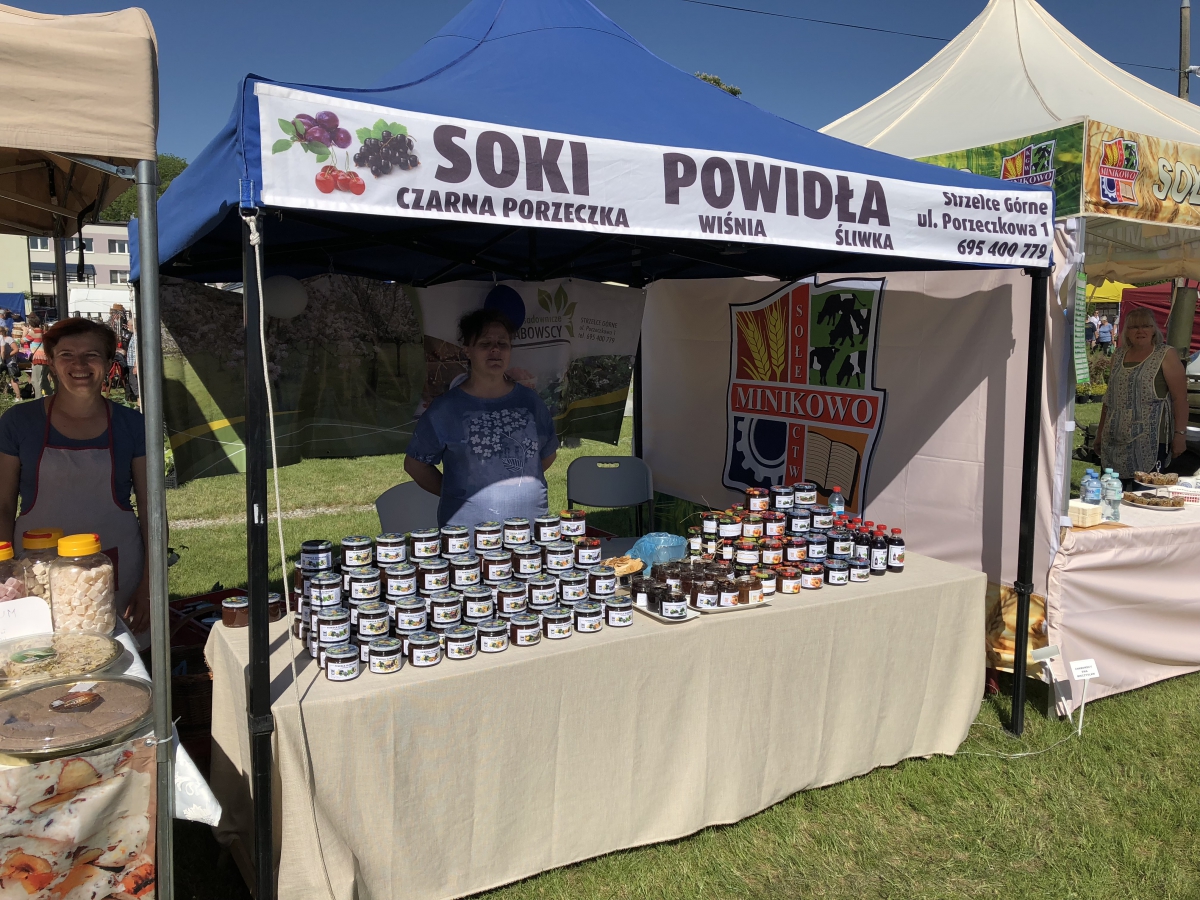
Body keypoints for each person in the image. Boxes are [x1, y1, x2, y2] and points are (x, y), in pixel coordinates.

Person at [0, 318, 150, 633]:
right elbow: (3, 505)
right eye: (66, 355)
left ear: (108, 362)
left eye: (91, 355)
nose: (79, 364)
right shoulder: (19, 422)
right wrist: (4, 572)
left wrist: (150, 584)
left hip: (115, 564)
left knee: (116, 650)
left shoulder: (132, 425)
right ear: (52, 363)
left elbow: (153, 511)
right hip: (35, 570)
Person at [404, 308, 558, 526]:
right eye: (485, 343)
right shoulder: (445, 409)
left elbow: (547, 455)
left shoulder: (530, 402)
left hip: (530, 534)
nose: (495, 349)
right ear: (467, 350)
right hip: (466, 537)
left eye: (503, 343)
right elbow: (416, 465)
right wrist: (457, 493)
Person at [1095, 308, 1188, 481]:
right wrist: (1100, 433)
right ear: (1126, 332)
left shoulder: (1165, 354)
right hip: (1115, 436)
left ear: (1153, 330)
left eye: (1145, 326)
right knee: (1111, 491)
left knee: (1146, 491)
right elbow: (1109, 399)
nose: (1140, 331)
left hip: (1151, 440)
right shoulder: (1118, 354)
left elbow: (1180, 399)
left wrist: (1180, 435)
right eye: (1134, 327)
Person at [25, 314, 51, 399]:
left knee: (35, 380)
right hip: (46, 357)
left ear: (31, 323)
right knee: (43, 379)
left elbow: (22, 340)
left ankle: (38, 399)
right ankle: (51, 396)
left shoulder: (33, 332)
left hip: (38, 357)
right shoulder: (43, 332)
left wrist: (25, 331)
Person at [125, 323, 139, 405]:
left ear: (133, 326)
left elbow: (138, 352)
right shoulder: (132, 336)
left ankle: (139, 403)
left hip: (134, 364)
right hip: (130, 363)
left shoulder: (137, 337)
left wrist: (136, 365)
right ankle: (139, 402)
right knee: (132, 382)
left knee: (134, 383)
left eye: (128, 325)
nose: (127, 327)